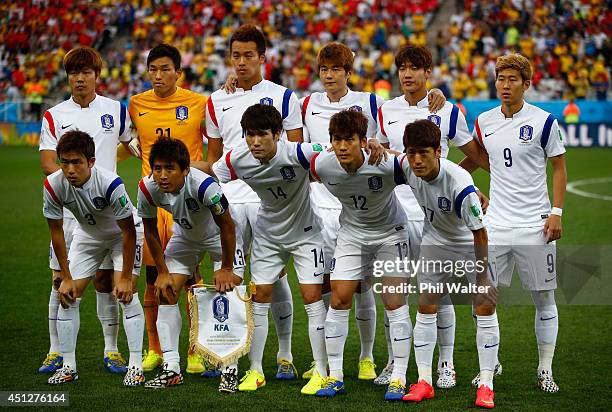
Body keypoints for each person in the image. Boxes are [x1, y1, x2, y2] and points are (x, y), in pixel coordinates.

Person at [300, 41, 446, 383]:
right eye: (324, 69)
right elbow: (298, 153)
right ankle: (326, 368)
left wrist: (433, 95)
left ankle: (372, 360)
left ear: (349, 72)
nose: (330, 75)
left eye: (337, 69)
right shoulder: (306, 104)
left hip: (387, 212)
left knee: (387, 293)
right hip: (330, 210)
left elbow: (399, 146)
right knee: (335, 292)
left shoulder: (371, 103)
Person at [376, 45, 489, 388]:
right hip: (395, 214)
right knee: (393, 293)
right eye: (402, 68)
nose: (407, 74)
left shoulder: (448, 110)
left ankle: (446, 363)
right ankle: (396, 363)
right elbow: (383, 158)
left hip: (434, 220)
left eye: (415, 68)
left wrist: (457, 184)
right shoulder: (386, 110)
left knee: (435, 295)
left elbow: (477, 155)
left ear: (428, 73)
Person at [210, 104, 327, 395]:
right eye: (250, 135)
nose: (255, 142)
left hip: (306, 235)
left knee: (312, 297)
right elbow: (214, 173)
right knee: (259, 297)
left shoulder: (299, 152)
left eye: (263, 135)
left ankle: (322, 370)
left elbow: (338, 149)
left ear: (278, 134)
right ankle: (256, 370)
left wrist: (373, 146)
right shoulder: (236, 159)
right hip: (268, 236)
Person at [205, 25, 300, 382]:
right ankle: (227, 356)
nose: (241, 62)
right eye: (236, 55)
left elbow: (293, 155)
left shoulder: (284, 97)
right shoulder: (217, 100)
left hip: (268, 203)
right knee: (226, 273)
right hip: (229, 201)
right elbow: (215, 159)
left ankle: (285, 353)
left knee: (274, 277)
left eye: (249, 56)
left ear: (263, 58)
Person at [472, 53, 566, 394]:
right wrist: (462, 187)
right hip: (494, 223)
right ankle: (490, 362)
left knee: (543, 299)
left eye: (512, 79)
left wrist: (556, 212)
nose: (505, 85)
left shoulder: (544, 121)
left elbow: (558, 167)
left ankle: (544, 369)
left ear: (526, 84)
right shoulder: (483, 121)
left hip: (534, 225)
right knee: (483, 298)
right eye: (500, 78)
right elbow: (474, 157)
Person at [39, 46, 134, 375]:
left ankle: (112, 350)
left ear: (97, 75)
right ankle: (55, 350)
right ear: (68, 77)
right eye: (74, 73)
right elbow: (48, 161)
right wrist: (73, 185)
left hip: (108, 210)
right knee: (59, 280)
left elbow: (131, 142)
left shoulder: (115, 110)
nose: (79, 78)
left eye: (86, 72)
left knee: (105, 281)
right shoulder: (54, 114)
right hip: (70, 212)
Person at [310, 110, 412, 401]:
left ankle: (399, 376)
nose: (342, 146)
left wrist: (470, 192)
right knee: (339, 299)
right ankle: (336, 377)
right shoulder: (324, 164)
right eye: (337, 140)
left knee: (394, 302)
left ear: (362, 141)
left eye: (349, 140)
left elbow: (424, 166)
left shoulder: (384, 163)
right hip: (352, 235)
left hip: (391, 234)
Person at [397, 120, 499, 408]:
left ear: (439, 151)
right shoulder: (406, 165)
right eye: (412, 152)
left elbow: (480, 233)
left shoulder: (461, 186)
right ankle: (425, 382)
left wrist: (482, 280)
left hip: (468, 244)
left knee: (485, 305)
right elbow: (393, 158)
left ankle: (487, 384)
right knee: (426, 306)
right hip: (435, 243)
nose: (417, 160)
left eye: (424, 153)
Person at [127, 44, 208, 374]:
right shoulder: (135, 105)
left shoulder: (200, 103)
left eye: (164, 69)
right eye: (152, 70)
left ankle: (194, 350)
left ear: (179, 72)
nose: (158, 75)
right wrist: (129, 148)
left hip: (189, 202)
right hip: (152, 201)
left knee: (190, 276)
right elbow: (122, 138)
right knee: (152, 276)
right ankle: (155, 348)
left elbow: (217, 142)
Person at [137, 137, 240, 389]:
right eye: (158, 168)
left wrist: (226, 268)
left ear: (185, 170)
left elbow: (227, 227)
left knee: (227, 295)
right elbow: (149, 230)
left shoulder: (204, 186)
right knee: (165, 290)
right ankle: (171, 369)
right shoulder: (147, 188)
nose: (162, 175)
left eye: (170, 168)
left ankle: (230, 369)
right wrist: (162, 271)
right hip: (184, 236)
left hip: (219, 237)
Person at [43, 131, 144, 386]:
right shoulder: (53, 185)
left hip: (122, 237)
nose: (69, 169)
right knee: (66, 295)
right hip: (87, 236)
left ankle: (135, 365)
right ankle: (69, 367)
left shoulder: (111, 183)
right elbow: (56, 233)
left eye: (76, 162)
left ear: (91, 161)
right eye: (64, 162)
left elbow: (128, 231)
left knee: (126, 294)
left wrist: (124, 277)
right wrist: (64, 276)